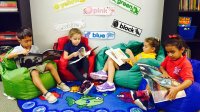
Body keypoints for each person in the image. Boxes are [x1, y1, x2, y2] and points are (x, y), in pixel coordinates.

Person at [7, 28, 70, 104]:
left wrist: (46, 57)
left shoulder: (34, 47)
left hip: (37, 65)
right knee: (34, 72)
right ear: (19, 40)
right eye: (26, 41)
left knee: (50, 65)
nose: (29, 43)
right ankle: (46, 93)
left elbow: (40, 57)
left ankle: (60, 83)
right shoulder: (17, 49)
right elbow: (8, 56)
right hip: (27, 70)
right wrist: (20, 52)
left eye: (30, 40)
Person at [90, 37, 160, 92]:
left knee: (111, 59)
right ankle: (104, 73)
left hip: (130, 68)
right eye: (143, 46)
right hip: (127, 64)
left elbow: (136, 64)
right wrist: (125, 59)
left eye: (145, 46)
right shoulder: (144, 53)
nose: (143, 47)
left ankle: (109, 82)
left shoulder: (150, 57)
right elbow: (133, 60)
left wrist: (130, 53)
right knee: (111, 55)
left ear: (153, 49)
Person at [159, 34, 194, 100]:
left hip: (176, 85)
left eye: (172, 52)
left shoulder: (185, 63)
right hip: (167, 80)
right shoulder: (168, 58)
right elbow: (161, 66)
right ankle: (144, 96)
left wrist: (177, 89)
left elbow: (189, 80)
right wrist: (164, 72)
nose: (169, 55)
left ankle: (144, 97)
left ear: (182, 50)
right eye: (167, 52)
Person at [63, 28, 94, 95]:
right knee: (69, 65)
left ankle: (85, 75)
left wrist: (86, 55)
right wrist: (72, 55)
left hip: (80, 62)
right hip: (73, 64)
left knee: (85, 60)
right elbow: (65, 57)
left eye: (79, 39)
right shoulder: (67, 45)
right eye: (75, 39)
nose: (77, 41)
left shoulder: (82, 45)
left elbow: (86, 55)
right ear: (70, 38)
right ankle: (84, 81)